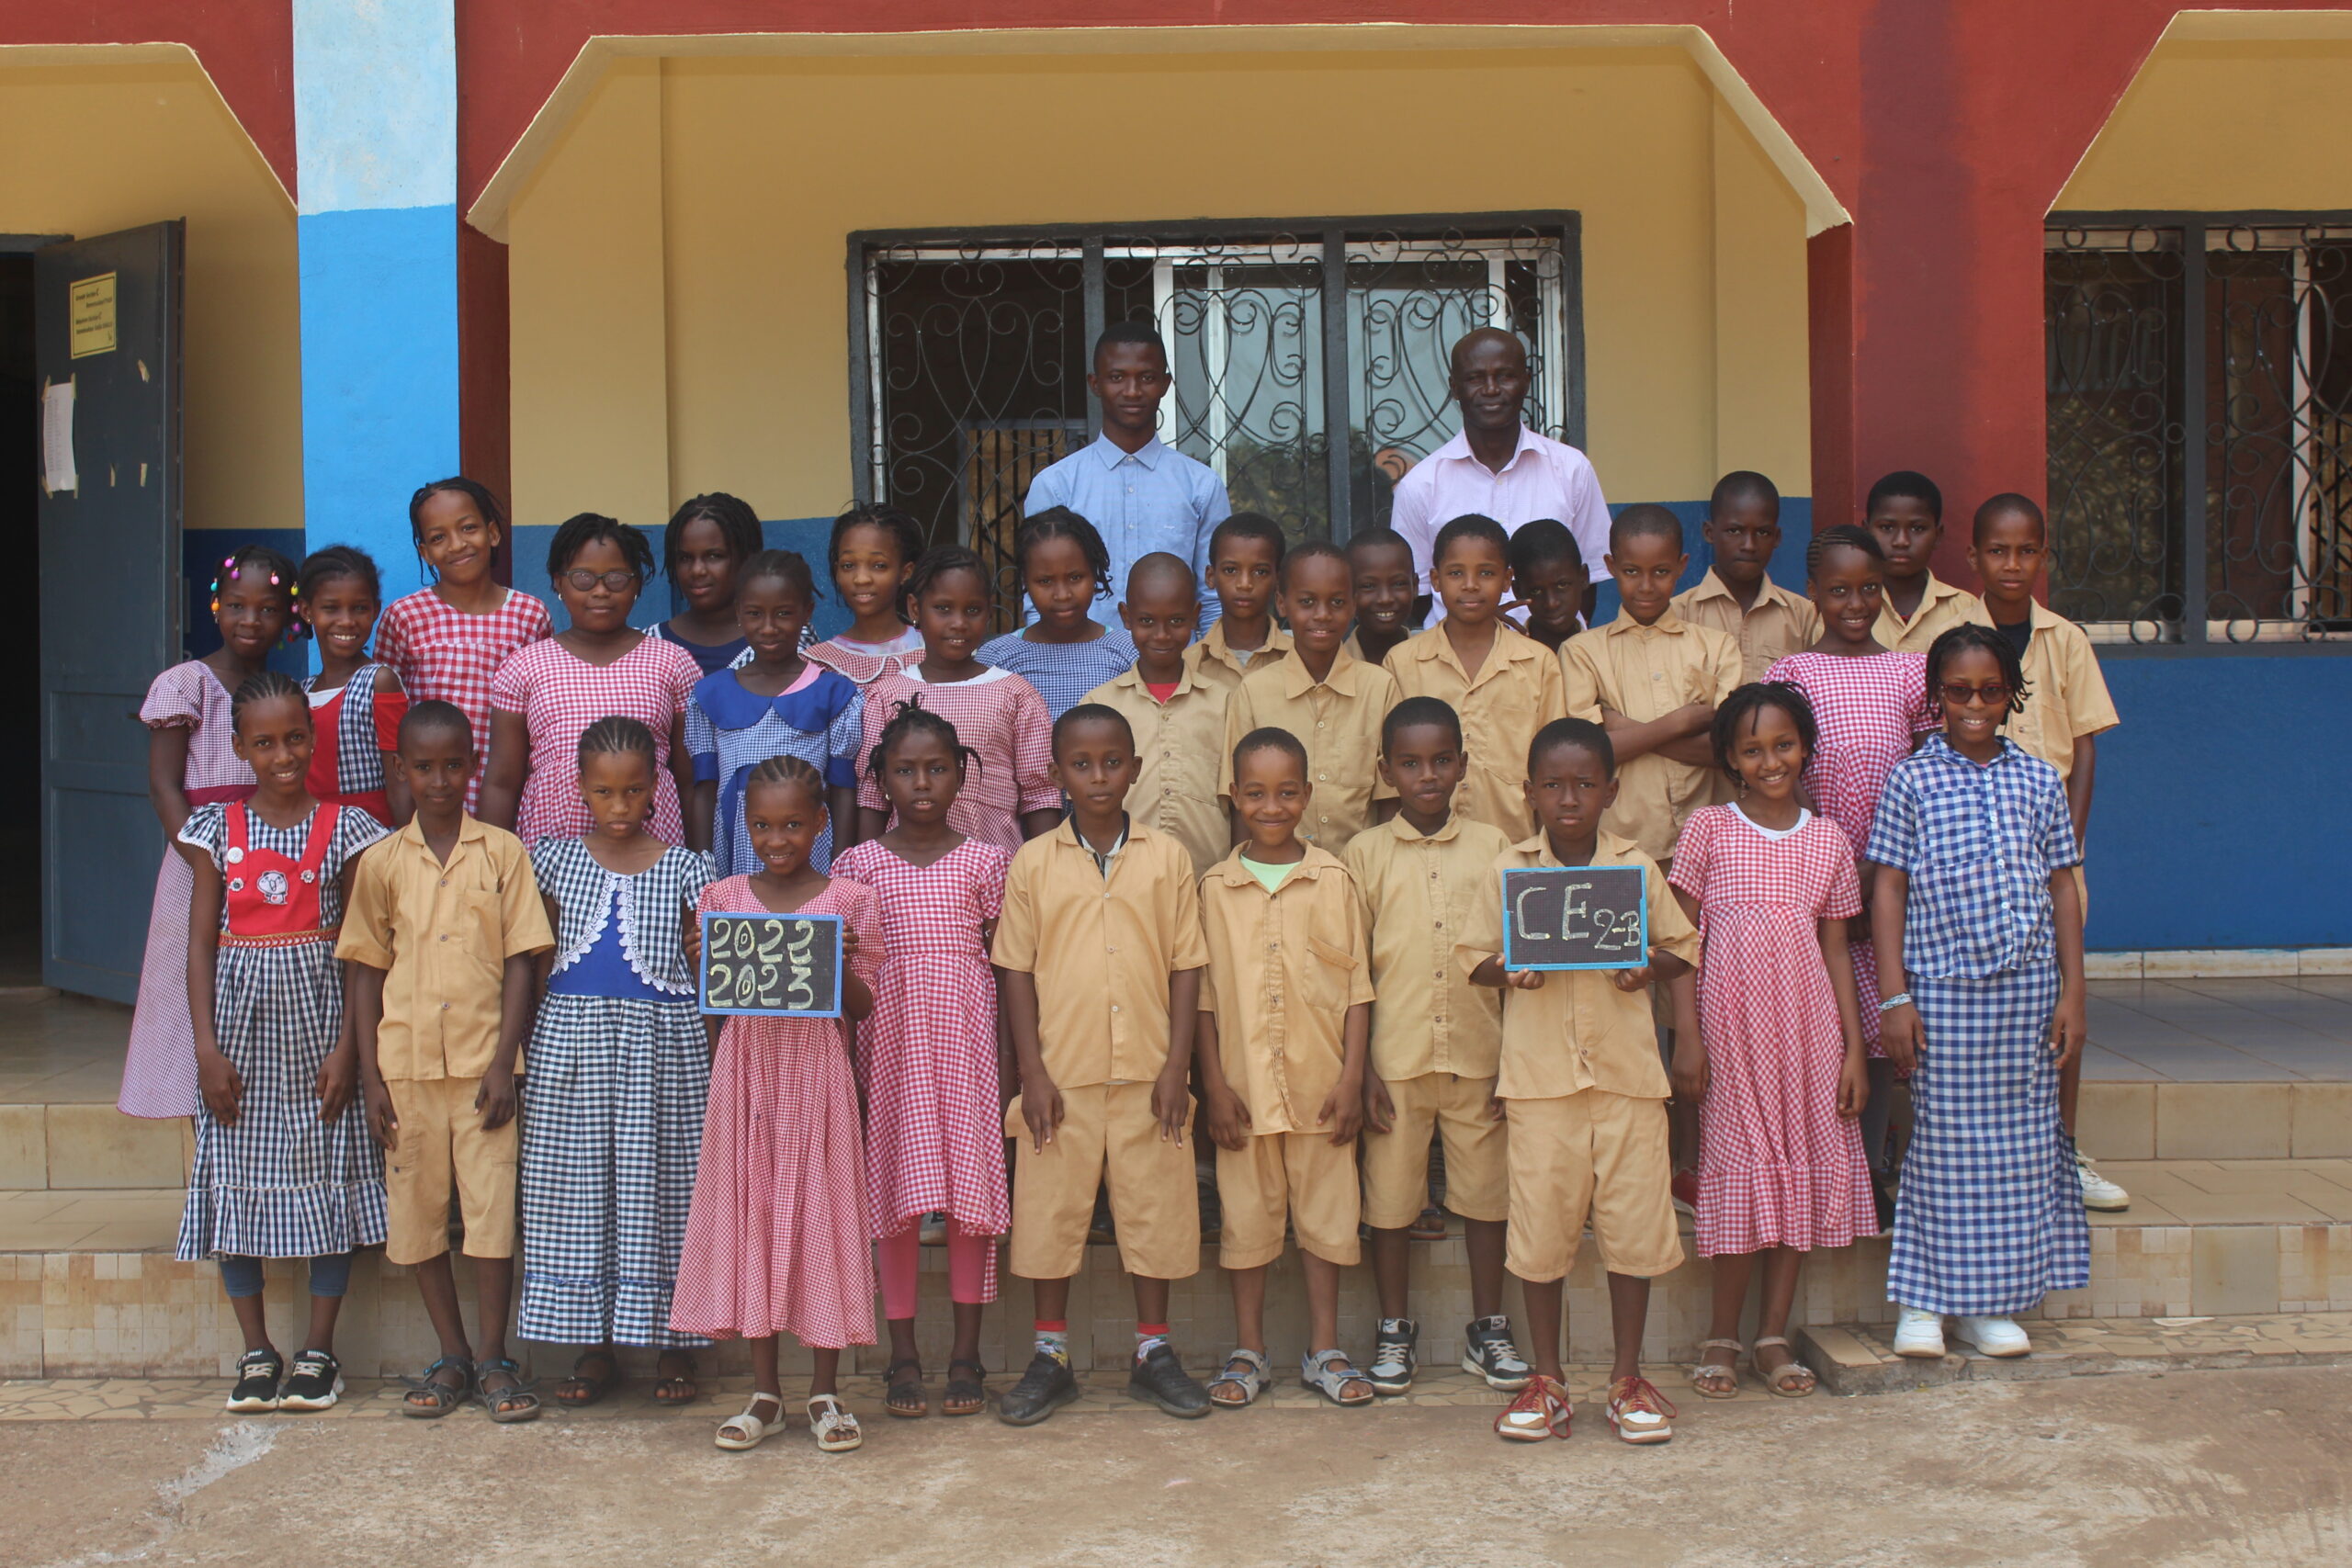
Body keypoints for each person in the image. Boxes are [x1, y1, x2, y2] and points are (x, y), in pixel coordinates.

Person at [1464, 719, 1698, 1445]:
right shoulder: (1510, 871)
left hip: (1627, 1080)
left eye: (1585, 784)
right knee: (1541, 1232)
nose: (1569, 799)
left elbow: (1681, 947)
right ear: (1529, 792)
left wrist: (1644, 967)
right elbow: (1475, 959)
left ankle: (1626, 1379)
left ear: (1611, 791)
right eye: (1553, 785)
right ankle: (1548, 1379)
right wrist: (1512, 969)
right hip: (1541, 1085)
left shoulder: (1635, 869)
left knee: (1633, 1229)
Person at [1871, 625, 2090, 1360]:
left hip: (2027, 993)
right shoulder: (1912, 779)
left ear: (2011, 694)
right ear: (1937, 696)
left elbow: (2062, 885)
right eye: (1959, 690)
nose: (1974, 704)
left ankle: (1989, 1303)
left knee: (2017, 1148)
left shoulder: (2038, 779)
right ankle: (1925, 1302)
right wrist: (1894, 996)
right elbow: (1889, 886)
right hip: (1940, 990)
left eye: (1990, 690)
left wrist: (2073, 993)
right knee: (1941, 1143)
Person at [994, 704, 1213, 1425]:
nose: (1098, 776)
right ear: (1056, 773)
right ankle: (1050, 1355)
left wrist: (1177, 1067)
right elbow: (1015, 969)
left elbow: (1187, 964)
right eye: (1081, 764)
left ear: (1135, 769)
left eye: (1113, 762)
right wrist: (1032, 1074)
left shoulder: (1167, 857)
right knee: (1050, 1214)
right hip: (1062, 1072)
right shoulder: (1033, 862)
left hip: (1150, 1072)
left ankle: (1154, 1351)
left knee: (1156, 1209)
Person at [176, 670, 389, 1414]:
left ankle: (319, 1351)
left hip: (320, 1033)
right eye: (264, 743)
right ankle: (257, 1350)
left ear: (313, 738)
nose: (283, 754)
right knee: (234, 1175)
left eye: (295, 738)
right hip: (239, 1037)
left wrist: (350, 1050)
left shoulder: (348, 828)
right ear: (239, 748)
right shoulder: (215, 829)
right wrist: (205, 1050)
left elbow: (362, 950)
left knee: (328, 1171)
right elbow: (199, 945)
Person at [341, 701, 556, 1422]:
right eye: (424, 767)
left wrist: (504, 1063)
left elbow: (523, 960)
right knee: (418, 1213)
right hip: (405, 1071)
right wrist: (371, 1077)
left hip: (482, 1069)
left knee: (492, 1214)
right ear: (399, 769)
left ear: (472, 766)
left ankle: (494, 1356)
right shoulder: (380, 862)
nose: (439, 780)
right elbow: (366, 969)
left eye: (453, 765)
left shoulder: (502, 853)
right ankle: (452, 1354)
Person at [1668, 683, 1874, 1403]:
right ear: (1730, 758)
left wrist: (1853, 1049)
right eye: (1752, 749)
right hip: (1731, 1037)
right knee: (1740, 1170)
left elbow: (1837, 950)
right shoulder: (1708, 829)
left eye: (1783, 745)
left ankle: (1771, 1336)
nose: (1771, 760)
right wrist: (1687, 1035)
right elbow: (1679, 941)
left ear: (1805, 748)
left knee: (1798, 1173)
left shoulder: (1828, 839)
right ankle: (1722, 1334)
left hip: (1808, 1037)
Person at [670, 758, 882, 1453]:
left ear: (821, 822)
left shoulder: (849, 900)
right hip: (747, 1079)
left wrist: (838, 960)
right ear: (745, 825)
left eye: (793, 824)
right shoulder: (722, 897)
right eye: (762, 825)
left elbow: (863, 1006)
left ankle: (824, 1390)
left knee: (823, 1219)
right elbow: (716, 1007)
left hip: (818, 1079)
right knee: (752, 1219)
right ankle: (764, 1393)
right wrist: (702, 960)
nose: (777, 839)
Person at [520, 717, 715, 1409]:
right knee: (579, 1189)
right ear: (580, 788)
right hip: (571, 1047)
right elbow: (531, 958)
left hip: (664, 1052)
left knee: (665, 1186)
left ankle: (675, 1342)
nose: (621, 805)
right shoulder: (552, 860)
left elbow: (709, 969)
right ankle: (592, 1344)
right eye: (604, 791)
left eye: (633, 790)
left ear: (656, 786)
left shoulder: (690, 868)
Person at [832, 705, 1014, 1421]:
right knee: (893, 1199)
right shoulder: (856, 867)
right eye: (905, 770)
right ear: (881, 779)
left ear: (961, 773)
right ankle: (902, 1355)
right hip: (888, 1048)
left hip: (967, 1046)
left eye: (937, 768)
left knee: (971, 1200)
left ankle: (966, 1354)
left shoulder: (986, 862)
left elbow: (1007, 969)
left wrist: (1010, 1068)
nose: (922, 783)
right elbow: (841, 976)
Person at [1196, 728, 1375, 1409]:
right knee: (1246, 1224)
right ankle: (1250, 1350)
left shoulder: (1333, 880)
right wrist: (1214, 1086)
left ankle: (1324, 1349)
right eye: (1255, 793)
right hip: (1242, 1093)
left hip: (1322, 1089)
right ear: (1234, 796)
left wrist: (1352, 1079)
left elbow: (1357, 988)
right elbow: (1203, 999)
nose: (1271, 807)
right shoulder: (1214, 888)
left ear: (1306, 796)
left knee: (1328, 1221)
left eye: (1287, 792)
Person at [1346, 697, 1521, 1396]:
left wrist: (1515, 1062)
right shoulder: (1363, 854)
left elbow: (1514, 959)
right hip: (1395, 1061)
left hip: (1481, 1055)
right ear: (1385, 770)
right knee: (1390, 1201)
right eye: (1411, 763)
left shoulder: (1497, 848)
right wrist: (1360, 1068)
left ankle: (1489, 1328)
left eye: (1442, 761)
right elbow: (1353, 970)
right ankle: (1394, 1328)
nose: (1428, 775)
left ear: (1462, 765)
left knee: (1486, 1199)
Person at [1764, 525, 1939, 1208]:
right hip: (1815, 872)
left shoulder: (1911, 671)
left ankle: (1867, 1173)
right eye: (1839, 590)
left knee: (1879, 1027)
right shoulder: (1792, 674)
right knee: (1821, 1025)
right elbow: (1786, 773)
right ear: (1813, 593)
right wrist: (1839, 869)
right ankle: (1817, 1172)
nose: (1857, 603)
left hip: (1893, 876)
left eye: (1869, 588)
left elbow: (1928, 773)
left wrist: (1878, 872)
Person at [1965, 492, 2125, 1212]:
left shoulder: (2066, 639)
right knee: (1974, 1005)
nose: (2012, 563)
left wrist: (2069, 848)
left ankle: (2063, 1149)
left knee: (2060, 1002)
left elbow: (2084, 749)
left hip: (2050, 857)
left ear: (2043, 557)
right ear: (1974, 556)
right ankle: (1981, 1153)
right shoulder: (1954, 632)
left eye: (2026, 550)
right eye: (1998, 550)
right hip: (1970, 857)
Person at [121, 547, 283, 1120]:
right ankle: (202, 1148)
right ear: (216, 606)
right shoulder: (187, 683)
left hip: (270, 862)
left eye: (267, 608)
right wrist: (201, 859)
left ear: (289, 617)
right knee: (192, 991)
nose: (250, 620)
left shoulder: (282, 689)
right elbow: (165, 787)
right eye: (237, 605)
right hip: (199, 863)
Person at [479, 515, 704, 852]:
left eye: (616, 578)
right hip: (553, 847)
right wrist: (488, 863)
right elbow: (501, 782)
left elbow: (690, 782)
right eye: (583, 578)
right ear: (558, 582)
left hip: (652, 849)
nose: (600, 590)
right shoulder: (524, 666)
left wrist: (701, 861)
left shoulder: (673, 662)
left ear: (637, 584)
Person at [1560, 505, 1742, 867]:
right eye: (1631, 572)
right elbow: (1587, 756)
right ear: (1611, 566)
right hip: (1622, 848)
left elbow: (1729, 753)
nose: (1646, 586)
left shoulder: (1718, 647)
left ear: (1681, 566)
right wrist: (1681, 722)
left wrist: (1622, 728)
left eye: (1661, 572)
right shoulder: (1582, 652)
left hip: (1712, 847)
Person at [1390, 328, 1610, 620]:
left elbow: (1588, 583)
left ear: (1526, 381)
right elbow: (1418, 596)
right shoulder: (1420, 485)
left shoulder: (1572, 469)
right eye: (1475, 378)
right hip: (1456, 650)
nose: (1491, 389)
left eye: (1505, 376)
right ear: (1455, 387)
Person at [1023, 321, 1231, 622]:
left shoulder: (1201, 485)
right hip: (1083, 654)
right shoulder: (1056, 486)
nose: (1132, 391)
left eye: (1146, 377)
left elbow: (1212, 598)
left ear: (1165, 384)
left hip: (1178, 654)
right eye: (1117, 377)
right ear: (1095, 384)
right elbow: (1037, 601)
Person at [855, 546, 1060, 849]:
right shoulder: (886, 695)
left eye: (973, 610)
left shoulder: (1015, 694)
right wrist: (866, 867)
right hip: (903, 870)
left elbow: (1039, 794)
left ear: (989, 613)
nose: (959, 623)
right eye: (943, 608)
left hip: (998, 866)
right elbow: (873, 796)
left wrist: (1046, 868)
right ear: (915, 609)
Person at [374, 479, 553, 813]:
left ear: (493, 533)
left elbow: (540, 716)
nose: (457, 545)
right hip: (427, 804)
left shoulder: (530, 614)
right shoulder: (404, 617)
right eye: (438, 538)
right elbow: (388, 726)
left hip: (507, 802)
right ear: (425, 553)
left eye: (468, 528)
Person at [1384, 513, 1567, 840]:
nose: (1470, 584)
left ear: (1507, 579)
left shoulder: (1538, 663)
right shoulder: (1402, 663)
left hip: (1515, 846)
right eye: (1456, 573)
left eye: (1486, 573)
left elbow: (1553, 767)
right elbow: (1388, 766)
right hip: (1423, 846)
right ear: (1435, 580)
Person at [686, 549, 864, 876]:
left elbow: (842, 791)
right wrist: (701, 868)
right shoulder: (711, 695)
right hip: (734, 856)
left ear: (806, 613)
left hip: (812, 860)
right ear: (739, 613)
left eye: (783, 614)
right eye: (755, 614)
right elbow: (704, 791)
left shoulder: (834, 694)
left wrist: (839, 871)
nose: (768, 628)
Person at [1220, 542, 1401, 853]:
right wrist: (1243, 873)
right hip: (1278, 873)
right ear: (1282, 604)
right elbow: (1240, 804)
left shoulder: (1380, 688)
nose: (1322, 615)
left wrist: (1380, 868)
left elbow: (1391, 798)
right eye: (1307, 602)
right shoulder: (1254, 692)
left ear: (1353, 605)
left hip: (1359, 872)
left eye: (1337, 602)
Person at [1085, 554, 1231, 877]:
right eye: (1147, 621)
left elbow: (1241, 798)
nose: (1162, 635)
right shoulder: (1099, 707)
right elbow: (1084, 802)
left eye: (1176, 621)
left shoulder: (1225, 703)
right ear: (1126, 617)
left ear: (1195, 616)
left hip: (1208, 878)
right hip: (1122, 880)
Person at [975, 507, 1138, 718]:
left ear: (1095, 573)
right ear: (1025, 580)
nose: (1062, 595)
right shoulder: (997, 657)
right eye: (1045, 581)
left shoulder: (1128, 651)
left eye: (1075, 577)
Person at [298, 545, 412, 828]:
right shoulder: (300, 693)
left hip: (372, 836)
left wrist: (409, 844)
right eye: (331, 608)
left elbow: (400, 780)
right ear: (306, 611)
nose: (347, 621)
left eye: (359, 608)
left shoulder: (379, 681)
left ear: (375, 610)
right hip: (313, 838)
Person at [1671, 472, 1822, 684]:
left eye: (1762, 533)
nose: (1749, 545)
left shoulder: (1803, 616)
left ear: (1777, 537)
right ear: (1709, 533)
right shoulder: (1678, 614)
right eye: (1734, 531)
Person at [805, 502, 926, 687]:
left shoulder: (932, 651)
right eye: (848, 565)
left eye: (879, 565)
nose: (861, 579)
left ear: (905, 572)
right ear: (837, 572)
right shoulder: (818, 664)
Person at [1867, 471, 1984, 652]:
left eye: (1917, 528)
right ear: (1866, 532)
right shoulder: (1850, 608)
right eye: (1887, 527)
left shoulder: (1965, 608)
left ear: (1938, 535)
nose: (1901, 541)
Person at [653, 491, 763, 676]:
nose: (697, 570)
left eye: (714, 556)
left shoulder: (788, 639)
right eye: (685, 558)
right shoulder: (649, 645)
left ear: (747, 558)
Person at [1186, 512, 1292, 683]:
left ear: (1278, 580)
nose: (1245, 584)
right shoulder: (1187, 666)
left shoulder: (1301, 660)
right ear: (1211, 577)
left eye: (1260, 572)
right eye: (1230, 570)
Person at [1505, 518, 1588, 654]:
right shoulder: (1505, 655)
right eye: (1536, 591)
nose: (1551, 603)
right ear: (1517, 591)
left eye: (1562, 585)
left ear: (1584, 577)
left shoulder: (1607, 654)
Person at [1344, 525, 1420, 667]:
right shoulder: (1331, 668)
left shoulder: (1437, 663)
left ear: (1415, 586)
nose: (1385, 599)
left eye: (1398, 584)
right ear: (1347, 592)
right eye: (1368, 586)